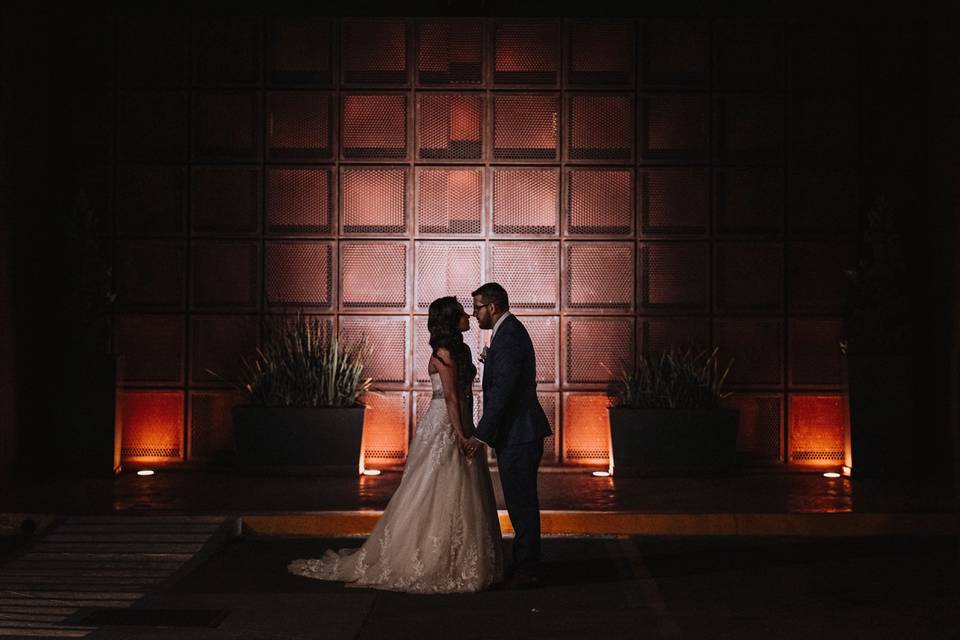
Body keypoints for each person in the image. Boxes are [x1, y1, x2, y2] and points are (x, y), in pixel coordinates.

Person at [288, 296, 503, 593]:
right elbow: (452, 398)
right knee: (433, 486)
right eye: (462, 313)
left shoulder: (462, 350)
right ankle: (430, 558)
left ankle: (461, 559)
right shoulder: (442, 353)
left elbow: (464, 393)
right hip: (446, 421)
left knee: (464, 488)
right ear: (451, 320)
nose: (468, 315)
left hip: (463, 417)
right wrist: (460, 434)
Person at [464, 282, 552, 589]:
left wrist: (480, 434)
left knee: (521, 502)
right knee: (519, 500)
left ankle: (528, 569)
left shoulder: (510, 335)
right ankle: (526, 564)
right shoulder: (506, 333)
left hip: (520, 433)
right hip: (517, 432)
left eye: (477, 307)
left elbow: (503, 392)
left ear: (492, 307)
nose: (474, 314)